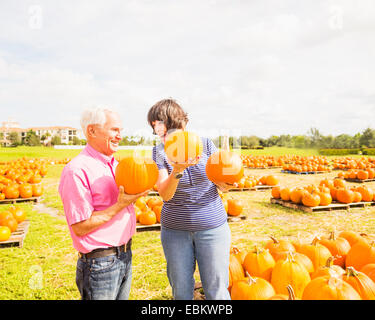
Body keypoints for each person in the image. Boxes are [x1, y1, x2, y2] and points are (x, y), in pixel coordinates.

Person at [58, 107, 148, 300]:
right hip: (100, 264)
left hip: (124, 256)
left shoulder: (116, 165)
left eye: (120, 131)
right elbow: (80, 227)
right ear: (92, 131)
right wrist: (120, 205)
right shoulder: (76, 170)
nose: (119, 136)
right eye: (114, 130)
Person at [147, 98, 233, 300]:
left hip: (212, 228)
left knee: (217, 291)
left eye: (168, 127)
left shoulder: (205, 145)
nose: (163, 133)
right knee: (182, 291)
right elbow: (165, 194)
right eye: (157, 129)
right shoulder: (158, 152)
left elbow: (220, 182)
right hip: (175, 233)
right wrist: (177, 170)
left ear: (183, 124)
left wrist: (226, 185)